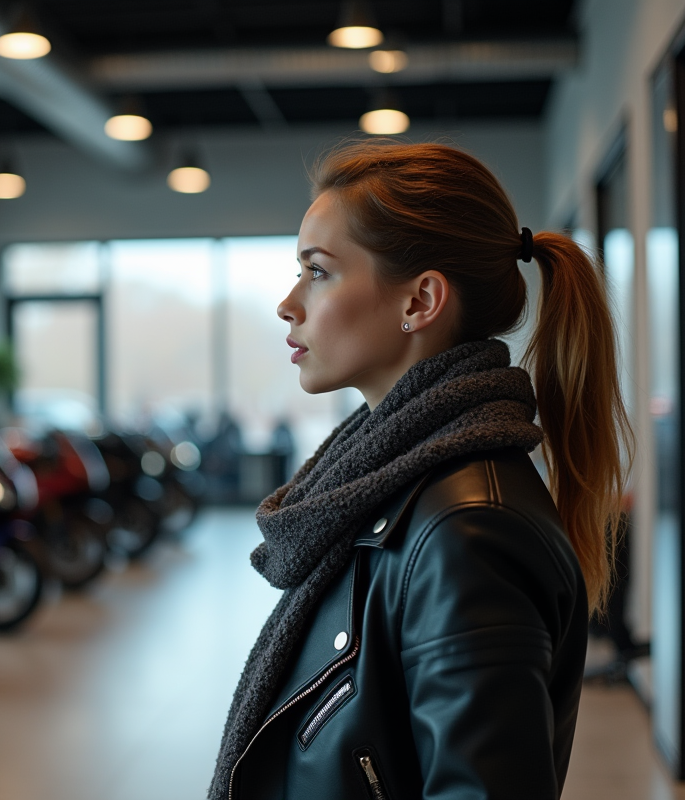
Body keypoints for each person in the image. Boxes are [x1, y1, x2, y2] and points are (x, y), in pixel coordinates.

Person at [211, 141, 630, 800]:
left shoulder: (468, 531)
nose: (288, 303)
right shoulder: (385, 488)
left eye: (317, 272)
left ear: (420, 301)